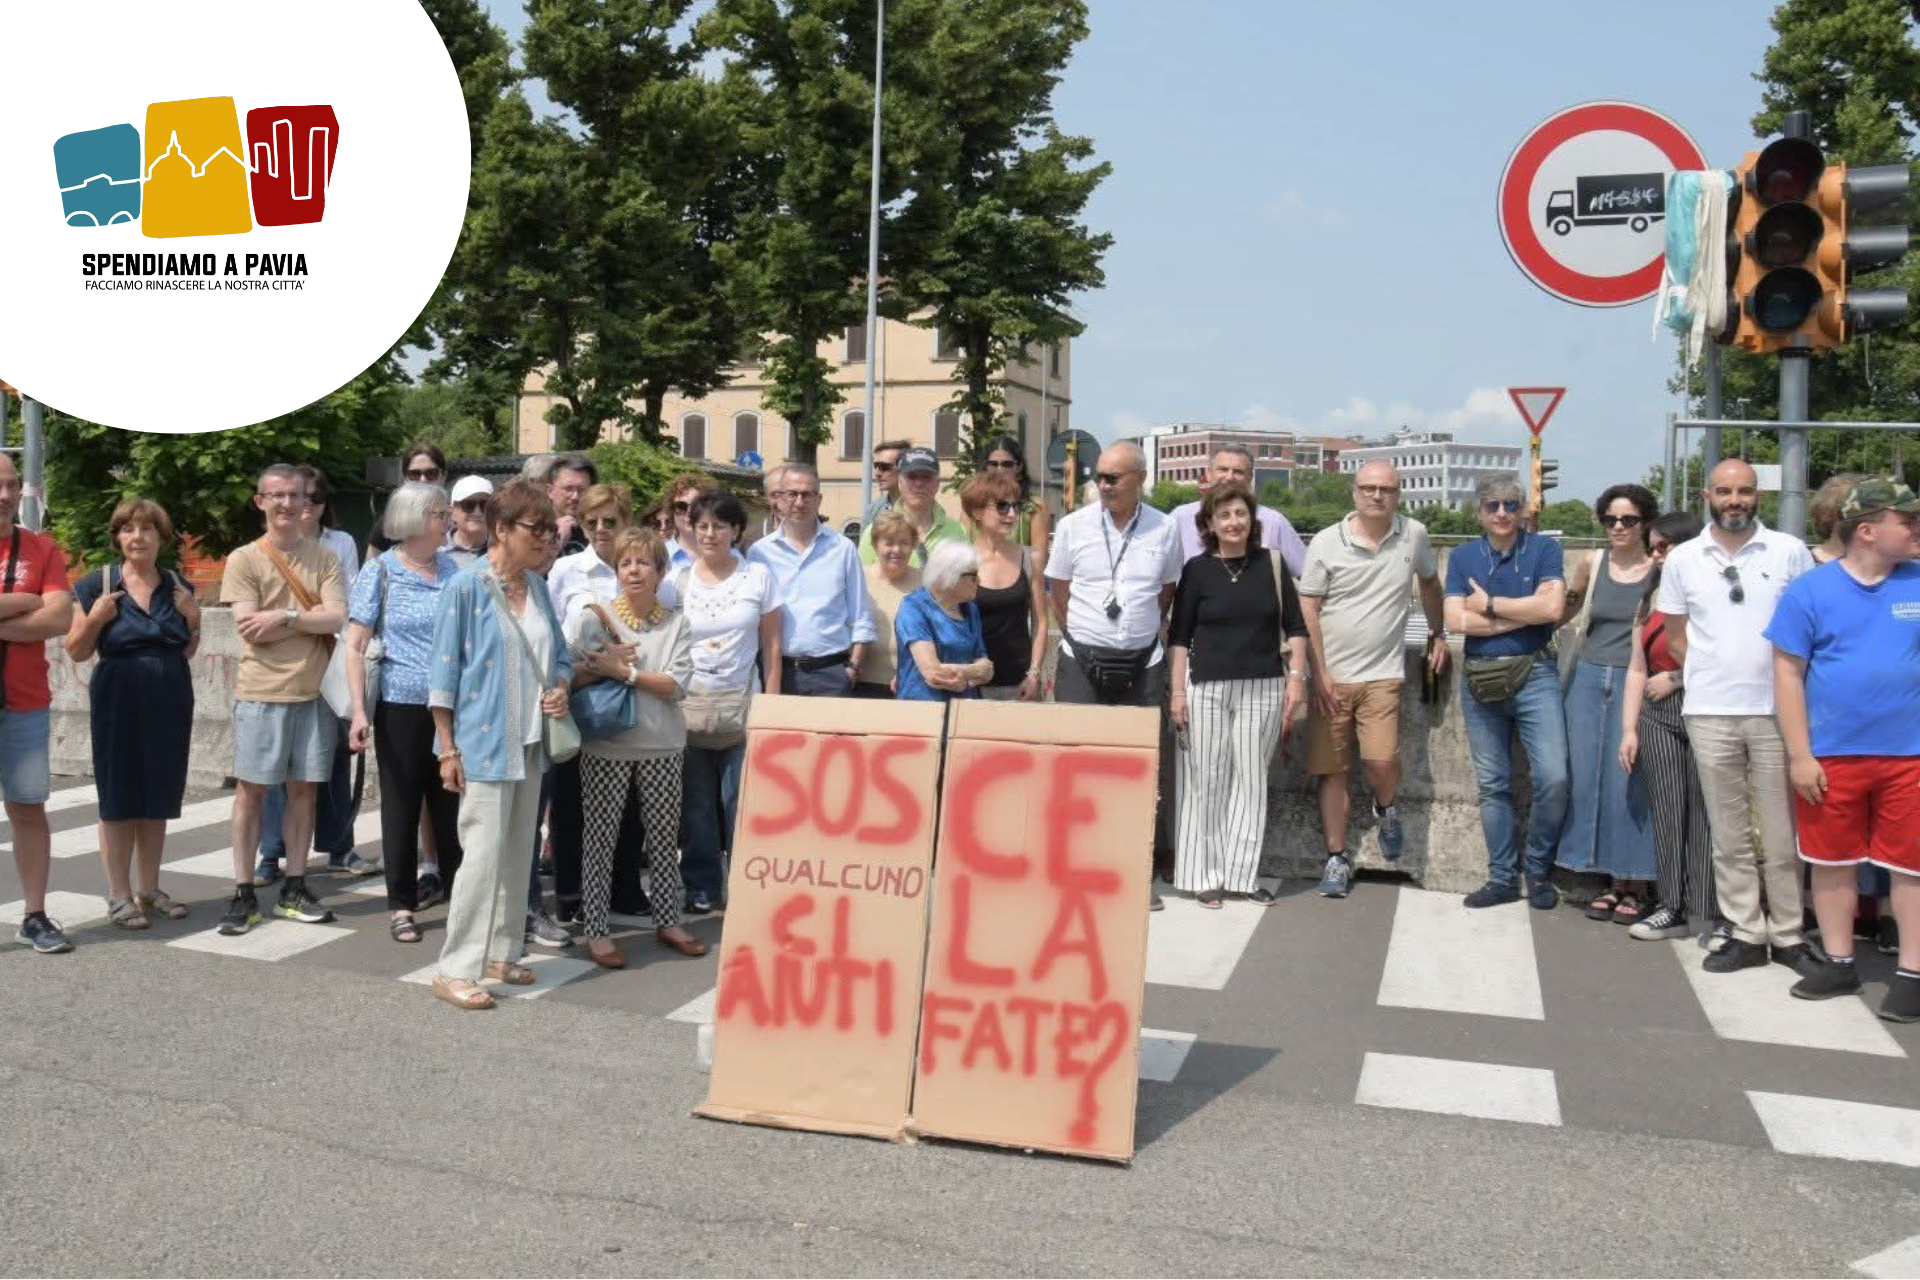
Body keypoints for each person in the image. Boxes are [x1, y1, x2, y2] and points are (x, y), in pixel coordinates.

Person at [1766, 478, 1920, 1019]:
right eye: (1908, 520)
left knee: (1911, 866)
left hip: (1910, 755)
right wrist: (1800, 755)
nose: (1917, 528)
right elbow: (1787, 674)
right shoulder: (1810, 591)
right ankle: (1839, 962)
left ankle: (1912, 974)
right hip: (1831, 754)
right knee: (1832, 862)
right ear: (1868, 530)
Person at [1656, 458, 1815, 972]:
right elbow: (1676, 637)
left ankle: (1788, 934)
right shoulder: (1683, 559)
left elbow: (1810, 629)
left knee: (1781, 833)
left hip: (1775, 711)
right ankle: (1745, 930)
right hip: (1710, 711)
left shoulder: (1789, 551)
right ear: (1707, 496)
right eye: (1724, 491)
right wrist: (1712, 672)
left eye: (1744, 491)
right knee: (1728, 833)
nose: (1734, 500)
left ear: (1757, 496)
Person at [425, 481, 574, 1010]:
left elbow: (560, 654)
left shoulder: (538, 587)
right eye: (537, 528)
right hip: (483, 742)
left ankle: (501, 953)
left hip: (532, 740)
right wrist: (447, 748)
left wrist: (560, 686)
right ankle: (455, 968)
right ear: (503, 529)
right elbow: (443, 674)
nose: (548, 538)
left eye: (552, 529)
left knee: (518, 854)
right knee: (483, 857)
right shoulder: (465, 587)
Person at [1296, 461, 1446, 899]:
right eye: (1368, 488)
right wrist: (1319, 672)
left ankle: (1386, 807)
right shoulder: (1327, 541)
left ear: (1398, 494)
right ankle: (1336, 857)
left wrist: (1438, 633)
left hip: (1383, 675)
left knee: (1381, 761)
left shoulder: (1413, 535)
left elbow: (1430, 584)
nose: (1377, 496)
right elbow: (1309, 609)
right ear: (1354, 492)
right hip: (1332, 679)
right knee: (1333, 771)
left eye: (1386, 489)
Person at [1045, 441, 1181, 909]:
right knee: (1077, 767)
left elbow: (1166, 590)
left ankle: (1132, 870)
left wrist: (1135, 630)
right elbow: (1059, 590)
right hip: (1081, 659)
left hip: (1142, 662)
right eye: (1098, 477)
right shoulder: (1073, 526)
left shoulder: (1165, 528)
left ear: (1140, 478)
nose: (1102, 485)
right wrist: (1084, 635)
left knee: (1138, 772)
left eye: (1112, 478)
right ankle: (1077, 867)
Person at [218, 463, 348, 936]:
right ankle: (243, 891)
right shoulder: (244, 559)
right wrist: (303, 619)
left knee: (303, 791)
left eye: (295, 495)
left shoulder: (325, 558)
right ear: (261, 502)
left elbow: (336, 617)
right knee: (251, 792)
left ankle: (295, 885)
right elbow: (249, 627)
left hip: (314, 693)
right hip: (262, 691)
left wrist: (285, 617)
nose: (287, 504)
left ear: (307, 501)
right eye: (276, 495)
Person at [567, 527, 707, 965]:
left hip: (663, 745)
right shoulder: (595, 617)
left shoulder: (678, 623)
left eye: (643, 562)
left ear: (661, 571)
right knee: (600, 838)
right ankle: (596, 929)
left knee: (663, 838)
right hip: (607, 745)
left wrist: (623, 673)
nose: (633, 570)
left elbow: (675, 686)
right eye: (625, 562)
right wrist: (601, 668)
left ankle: (668, 919)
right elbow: (568, 676)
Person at [1168, 482, 1309, 907]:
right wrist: (1177, 692)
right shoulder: (1196, 570)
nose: (1234, 522)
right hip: (1205, 686)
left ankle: (1242, 876)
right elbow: (1179, 637)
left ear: (1253, 519)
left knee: (1251, 781)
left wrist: (1297, 678)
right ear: (1209, 524)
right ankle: (1203, 875)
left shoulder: (1272, 563)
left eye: (1241, 513)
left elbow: (1296, 626)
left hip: (1263, 685)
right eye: (1224, 515)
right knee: (1205, 779)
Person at [66, 498, 199, 931]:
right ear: (117, 537)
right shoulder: (97, 585)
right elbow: (76, 650)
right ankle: (119, 895)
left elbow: (187, 648)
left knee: (158, 794)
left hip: (170, 697)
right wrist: (95, 620)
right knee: (120, 796)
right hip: (118, 698)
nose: (137, 537)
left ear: (162, 537)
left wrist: (193, 618)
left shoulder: (178, 585)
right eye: (127, 529)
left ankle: (149, 888)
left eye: (146, 529)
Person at [1444, 474, 1569, 911]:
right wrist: (1527, 614)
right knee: (1493, 784)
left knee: (1553, 776)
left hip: (1536, 675)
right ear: (1479, 512)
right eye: (1492, 505)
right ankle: (1501, 877)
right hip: (1481, 678)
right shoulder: (1462, 556)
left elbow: (1554, 609)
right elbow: (1455, 621)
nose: (1502, 513)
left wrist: (1490, 606)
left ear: (1523, 511)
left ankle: (1537, 870)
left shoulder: (1545, 550)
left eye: (1511, 505)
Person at [345, 482, 463, 945]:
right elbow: (355, 646)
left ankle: (460, 903)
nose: (448, 520)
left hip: (451, 705)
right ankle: (401, 905)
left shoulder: (454, 569)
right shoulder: (381, 572)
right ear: (414, 518)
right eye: (440, 513)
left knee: (452, 805)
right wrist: (359, 712)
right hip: (399, 706)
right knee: (401, 806)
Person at [253, 464, 370, 883]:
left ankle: (339, 845)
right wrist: (310, 616)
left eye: (313, 497)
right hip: (280, 665)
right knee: (275, 765)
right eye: (292, 496)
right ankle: (271, 853)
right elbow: (257, 616)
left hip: (331, 659)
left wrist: (294, 617)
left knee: (333, 757)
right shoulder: (268, 548)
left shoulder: (339, 544)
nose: (304, 505)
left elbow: (344, 607)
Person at [1557, 483, 1660, 923]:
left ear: (1645, 523)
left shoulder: (1660, 569)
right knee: (1586, 776)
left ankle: (1636, 881)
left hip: (1635, 680)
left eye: (1628, 520)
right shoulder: (1592, 562)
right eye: (1610, 519)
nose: (1618, 527)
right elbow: (1565, 609)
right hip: (1587, 677)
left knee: (1629, 781)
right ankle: (1602, 874)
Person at [1617, 512, 1719, 946]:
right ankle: (1671, 905)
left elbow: (1729, 655)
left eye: (1665, 546)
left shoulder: (1713, 594)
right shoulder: (1649, 601)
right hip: (1657, 716)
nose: (1657, 554)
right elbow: (1637, 669)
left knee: (1705, 815)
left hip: (1704, 709)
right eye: (1653, 547)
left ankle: (1707, 910)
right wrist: (1629, 729)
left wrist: (1677, 678)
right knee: (1669, 811)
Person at [677, 490, 782, 915]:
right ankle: (701, 886)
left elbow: (772, 645)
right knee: (697, 807)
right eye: (701, 525)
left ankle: (746, 883)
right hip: (689, 707)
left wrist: (772, 704)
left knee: (741, 802)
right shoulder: (677, 581)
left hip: (744, 705)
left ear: (736, 530)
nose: (709, 534)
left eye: (719, 525)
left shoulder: (758, 577)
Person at [1806, 477, 1895, 958]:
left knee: (1892, 839)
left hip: (1891, 736)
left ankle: (1884, 917)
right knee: (1829, 840)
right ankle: (1828, 930)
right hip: (1828, 730)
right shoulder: (1810, 573)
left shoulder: (1899, 574)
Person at [748, 463, 872, 698]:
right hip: (777, 672)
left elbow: (861, 615)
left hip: (831, 673)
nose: (799, 502)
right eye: (792, 494)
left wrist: (852, 669)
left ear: (819, 499)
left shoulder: (843, 549)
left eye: (807, 494)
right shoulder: (760, 552)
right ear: (780, 499)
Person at [961, 471, 1047, 702]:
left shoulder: (1029, 558)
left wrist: (1034, 674)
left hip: (1020, 686)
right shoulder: (961, 561)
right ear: (977, 511)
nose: (1012, 514)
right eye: (1002, 506)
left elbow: (1040, 621)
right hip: (972, 686)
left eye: (1015, 506)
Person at [1170, 444, 1308, 577]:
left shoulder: (1274, 522)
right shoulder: (1180, 518)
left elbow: (1306, 574)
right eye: (1223, 469)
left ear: (1250, 477)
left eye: (1238, 472)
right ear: (1209, 473)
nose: (1229, 477)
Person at [895, 542, 991, 702]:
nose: (979, 581)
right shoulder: (914, 607)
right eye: (974, 576)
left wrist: (965, 680)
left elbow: (986, 667)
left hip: (962, 708)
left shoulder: (970, 608)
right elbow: (932, 672)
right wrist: (975, 671)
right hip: (921, 708)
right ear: (951, 576)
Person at [859, 447, 966, 567]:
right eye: (911, 477)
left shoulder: (957, 531)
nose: (919, 483)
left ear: (937, 484)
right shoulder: (876, 531)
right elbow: (862, 576)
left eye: (926, 477)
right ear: (900, 482)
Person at [856, 510, 920, 698]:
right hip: (862, 684)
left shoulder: (926, 583)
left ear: (913, 545)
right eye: (889, 543)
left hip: (912, 683)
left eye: (904, 543)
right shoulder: (858, 578)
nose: (896, 550)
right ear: (875, 545)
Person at [978, 433, 1055, 577]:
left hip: (1019, 581)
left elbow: (1038, 563)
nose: (1000, 470)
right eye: (993, 464)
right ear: (986, 467)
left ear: (1018, 467)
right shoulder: (975, 504)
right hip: (979, 580)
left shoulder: (1034, 507)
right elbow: (964, 548)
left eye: (1007, 464)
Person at [367, 443, 449, 555]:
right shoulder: (392, 521)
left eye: (431, 473)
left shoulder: (459, 517)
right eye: (414, 474)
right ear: (405, 478)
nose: (423, 480)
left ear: (444, 475)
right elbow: (371, 562)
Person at [523, 451, 596, 556]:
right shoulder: (530, 527)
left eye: (582, 490)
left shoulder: (600, 529)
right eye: (568, 489)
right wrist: (554, 538)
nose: (575, 496)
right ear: (550, 491)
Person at [444, 475, 493, 569]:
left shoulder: (505, 551)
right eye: (468, 505)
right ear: (452, 511)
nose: (477, 512)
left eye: (485, 504)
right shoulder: (434, 551)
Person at [861, 439, 912, 527]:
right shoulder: (872, 511)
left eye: (884, 467)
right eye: (876, 466)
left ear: (904, 468)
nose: (877, 473)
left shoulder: (923, 507)